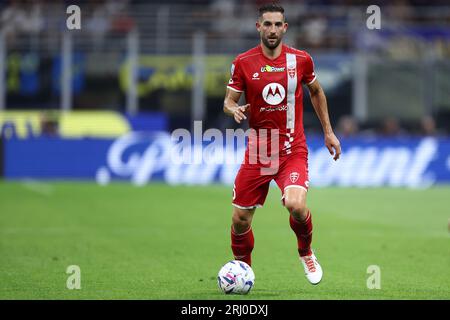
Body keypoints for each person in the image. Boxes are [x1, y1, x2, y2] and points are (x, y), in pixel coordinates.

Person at [222, 3, 341, 285]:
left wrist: (328, 132)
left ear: (285, 28)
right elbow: (229, 100)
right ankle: (243, 271)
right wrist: (233, 109)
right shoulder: (243, 62)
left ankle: (306, 252)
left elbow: (316, 91)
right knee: (240, 219)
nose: (273, 30)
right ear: (258, 27)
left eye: (278, 25)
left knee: (297, 205)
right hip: (260, 150)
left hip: (292, 148)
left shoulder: (300, 60)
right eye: (267, 24)